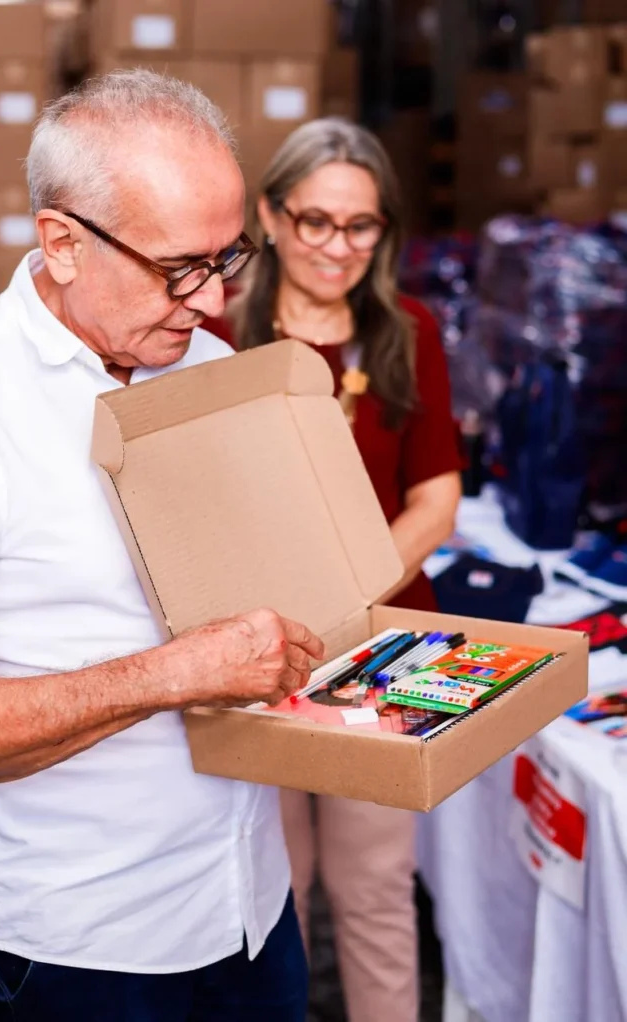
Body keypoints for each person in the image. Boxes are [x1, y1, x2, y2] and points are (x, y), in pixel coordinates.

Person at [0, 71, 325, 1022]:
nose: (210, 297)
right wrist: (177, 672)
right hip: (81, 949)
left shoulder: (208, 363)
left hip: (251, 908)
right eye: (179, 267)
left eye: (228, 257)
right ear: (62, 243)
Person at [206, 117, 462, 1022]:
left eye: (361, 226)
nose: (339, 247)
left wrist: (343, 595)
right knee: (273, 894)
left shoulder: (408, 330)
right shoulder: (214, 335)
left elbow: (434, 500)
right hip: (251, 651)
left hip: (385, 650)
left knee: (377, 885)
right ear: (271, 216)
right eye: (316, 220)